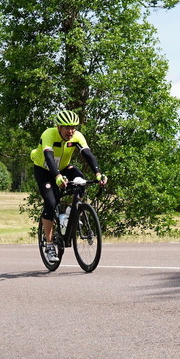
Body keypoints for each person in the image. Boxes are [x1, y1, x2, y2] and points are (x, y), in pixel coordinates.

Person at [31, 110, 107, 262]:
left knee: (81, 181)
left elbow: (88, 155)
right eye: (66, 127)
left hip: (65, 167)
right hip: (44, 169)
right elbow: (49, 157)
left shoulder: (77, 137)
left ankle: (71, 213)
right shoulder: (49, 134)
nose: (70, 131)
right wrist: (57, 176)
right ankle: (50, 245)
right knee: (51, 204)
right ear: (58, 127)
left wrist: (98, 174)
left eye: (73, 127)